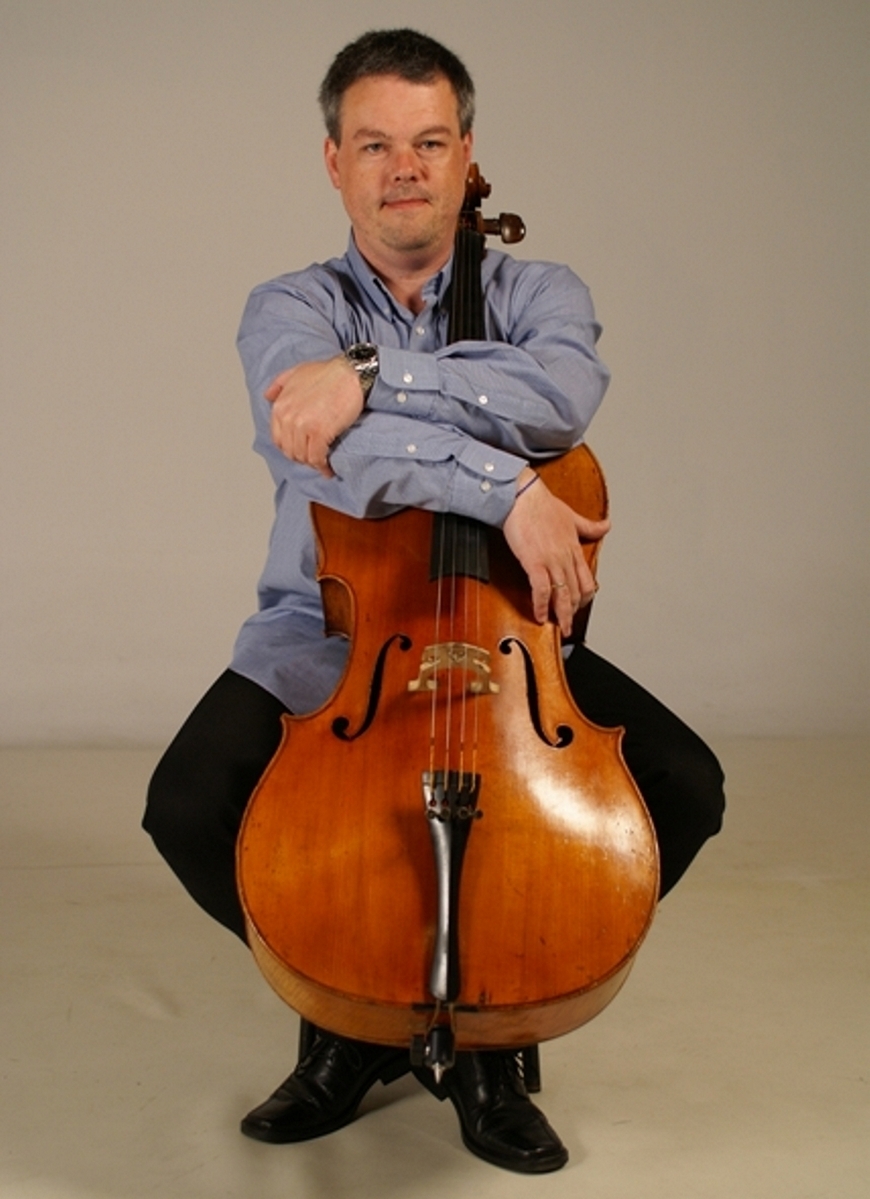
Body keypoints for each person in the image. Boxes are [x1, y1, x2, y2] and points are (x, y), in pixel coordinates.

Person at [144, 28, 725, 1175]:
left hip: (512, 648)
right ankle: (350, 1017)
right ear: (335, 163)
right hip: (336, 638)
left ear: (466, 155)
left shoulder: (541, 291)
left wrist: (369, 378)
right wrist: (508, 486)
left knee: (687, 790)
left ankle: (493, 1029)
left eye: (428, 141)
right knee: (187, 806)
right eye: (375, 145)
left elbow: (556, 399)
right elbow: (335, 459)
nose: (404, 168)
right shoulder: (287, 308)